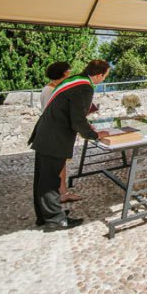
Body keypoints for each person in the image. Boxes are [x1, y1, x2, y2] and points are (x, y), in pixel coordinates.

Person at [29, 59, 111, 229]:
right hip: (55, 137)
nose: (104, 79)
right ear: (99, 74)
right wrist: (94, 135)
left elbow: (70, 110)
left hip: (46, 133)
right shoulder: (85, 87)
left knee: (42, 178)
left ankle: (44, 215)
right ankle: (55, 220)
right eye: (105, 75)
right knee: (50, 180)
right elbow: (77, 120)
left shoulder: (73, 80)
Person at [39, 61, 86, 204]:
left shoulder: (53, 88)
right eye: (69, 70)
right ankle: (59, 195)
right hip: (55, 133)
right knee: (57, 165)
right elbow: (54, 113)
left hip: (58, 132)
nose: (70, 72)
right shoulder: (50, 90)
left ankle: (63, 191)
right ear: (65, 73)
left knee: (61, 164)